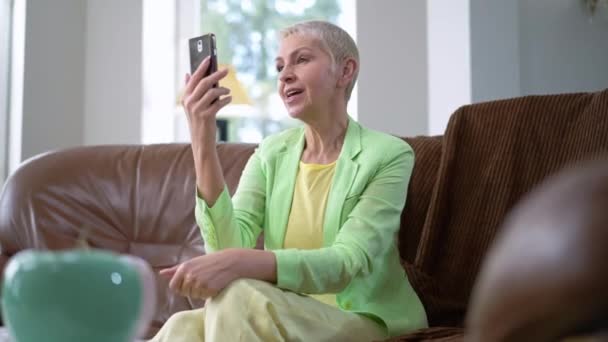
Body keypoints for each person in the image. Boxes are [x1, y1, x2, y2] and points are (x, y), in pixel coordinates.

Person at [150, 20, 427, 341]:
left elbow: (348, 262)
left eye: (302, 59)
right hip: (286, 312)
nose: (284, 75)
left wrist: (243, 262)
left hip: (362, 319)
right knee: (182, 325)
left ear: (346, 71)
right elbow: (226, 248)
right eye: (280, 66)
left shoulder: (388, 155)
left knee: (239, 295)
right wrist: (202, 140)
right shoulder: (272, 152)